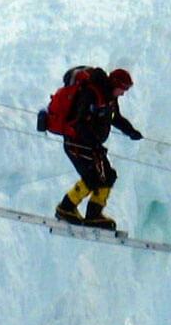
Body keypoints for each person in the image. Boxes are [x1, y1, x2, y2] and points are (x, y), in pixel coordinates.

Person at [54, 67, 142, 231]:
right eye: (122, 89)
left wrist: (130, 131)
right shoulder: (91, 93)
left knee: (108, 176)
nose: (123, 94)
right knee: (92, 178)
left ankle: (94, 215)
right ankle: (65, 208)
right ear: (115, 84)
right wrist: (94, 144)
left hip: (92, 146)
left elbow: (115, 117)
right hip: (77, 143)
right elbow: (79, 122)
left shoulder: (109, 98)